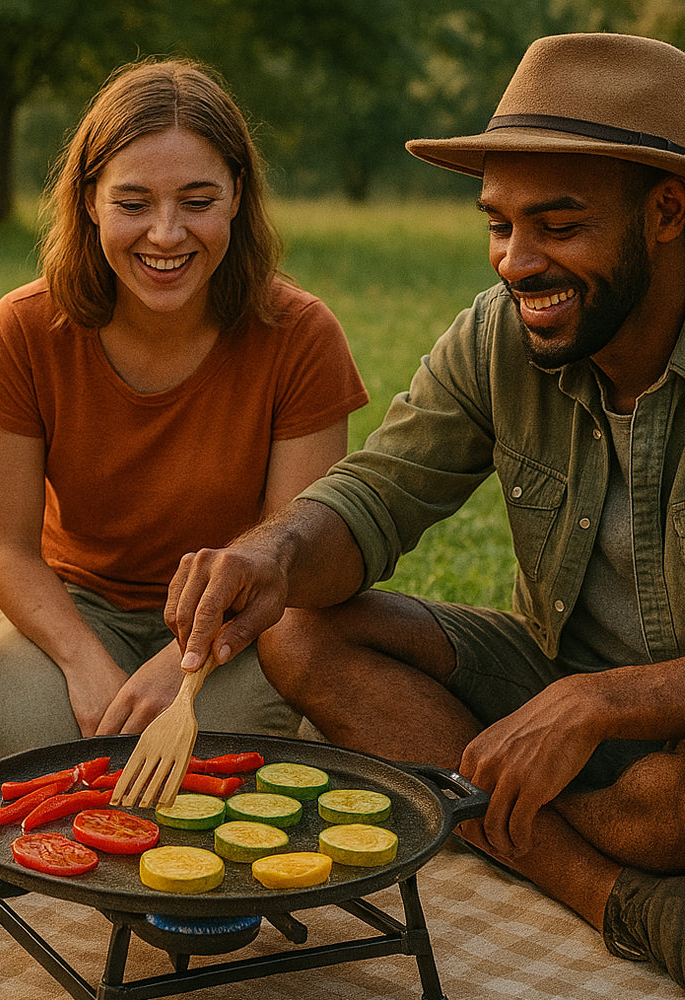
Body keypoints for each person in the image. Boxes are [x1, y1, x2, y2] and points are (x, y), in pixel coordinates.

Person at [164, 32, 685, 989]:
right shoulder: (499, 335)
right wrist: (272, 558)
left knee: (667, 801)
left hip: (645, 704)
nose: (515, 263)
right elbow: (376, 494)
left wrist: (607, 701)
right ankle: (611, 891)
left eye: (558, 225)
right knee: (303, 632)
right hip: (551, 671)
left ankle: (568, 843)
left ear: (666, 210)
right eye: (499, 224)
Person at [0, 57, 367, 766]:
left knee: (210, 759)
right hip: (74, 604)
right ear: (90, 201)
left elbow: (291, 556)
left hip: (242, 615)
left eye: (198, 201)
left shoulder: (302, 335)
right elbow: (7, 549)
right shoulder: (24, 328)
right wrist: (87, 666)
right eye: (134, 202)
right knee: (13, 745)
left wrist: (181, 665)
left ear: (238, 194)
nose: (167, 234)